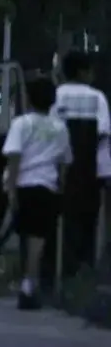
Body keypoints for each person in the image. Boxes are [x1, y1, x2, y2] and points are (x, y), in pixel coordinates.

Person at [2, 76, 72, 310]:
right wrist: (61, 188)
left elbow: (14, 157)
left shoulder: (21, 124)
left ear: (29, 98)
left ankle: (28, 284)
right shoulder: (60, 127)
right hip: (47, 186)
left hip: (24, 185)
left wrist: (11, 189)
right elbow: (64, 162)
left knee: (28, 237)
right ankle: (30, 284)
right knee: (38, 238)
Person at [51, 50, 111, 273]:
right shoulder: (98, 98)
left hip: (61, 169)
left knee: (63, 221)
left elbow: (52, 131)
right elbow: (103, 132)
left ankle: (62, 269)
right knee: (89, 220)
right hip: (92, 169)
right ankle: (85, 270)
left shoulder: (57, 96)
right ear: (82, 71)